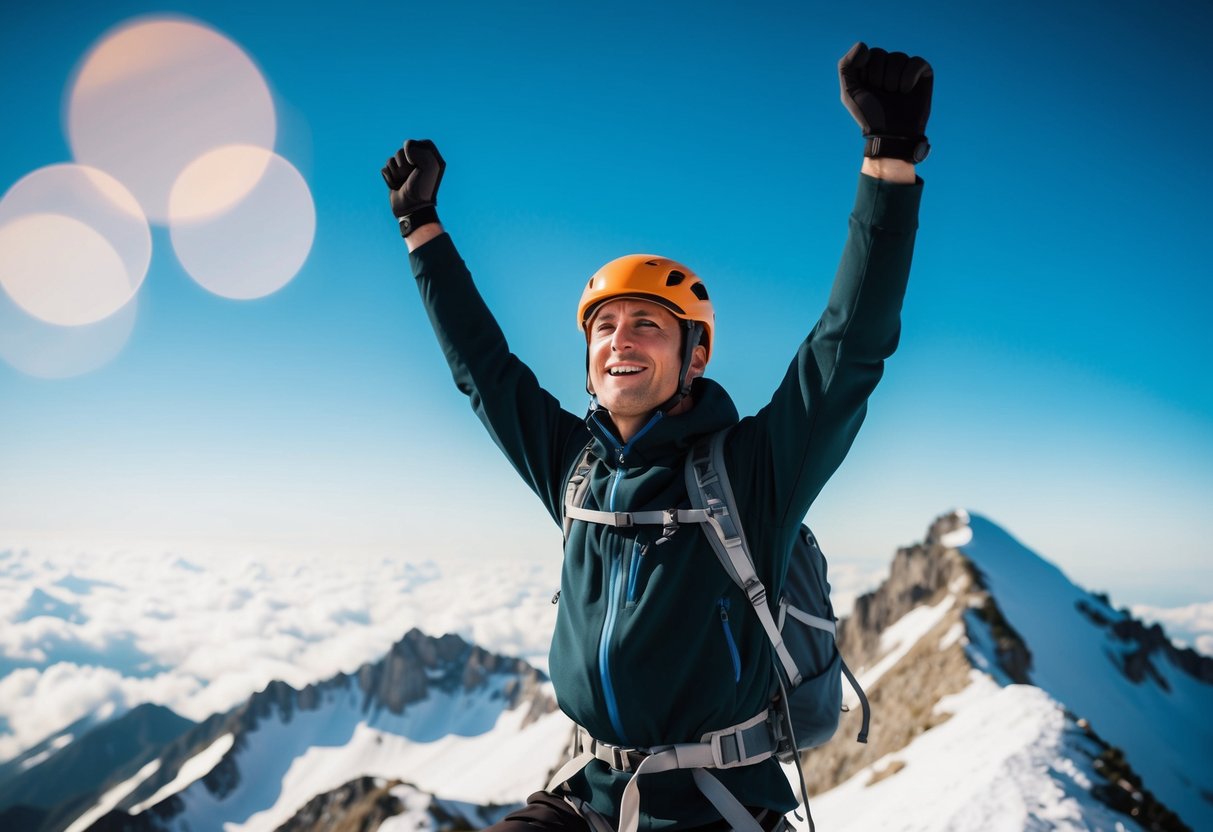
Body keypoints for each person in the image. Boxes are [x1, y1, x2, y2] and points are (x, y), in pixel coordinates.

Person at [382, 41, 932, 832]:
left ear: (694, 354)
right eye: (603, 326)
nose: (619, 339)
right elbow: (484, 372)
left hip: (716, 811)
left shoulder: (748, 473)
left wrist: (887, 163)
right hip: (584, 798)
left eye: (647, 324)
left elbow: (847, 352)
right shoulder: (575, 472)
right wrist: (420, 228)